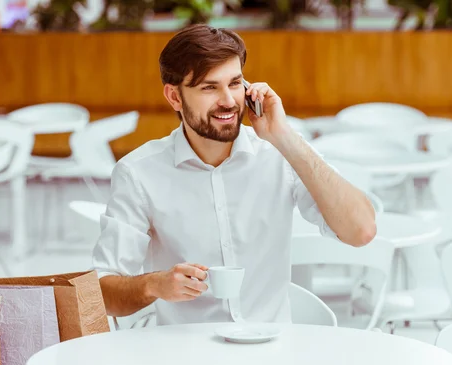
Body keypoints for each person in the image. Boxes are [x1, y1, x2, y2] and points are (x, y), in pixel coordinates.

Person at [92, 24, 377, 325]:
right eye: (209, 87)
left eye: (235, 83)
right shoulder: (139, 173)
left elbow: (361, 231)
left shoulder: (279, 154)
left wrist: (284, 136)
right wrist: (155, 284)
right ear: (174, 97)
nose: (228, 100)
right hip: (183, 358)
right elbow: (102, 292)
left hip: (270, 355)